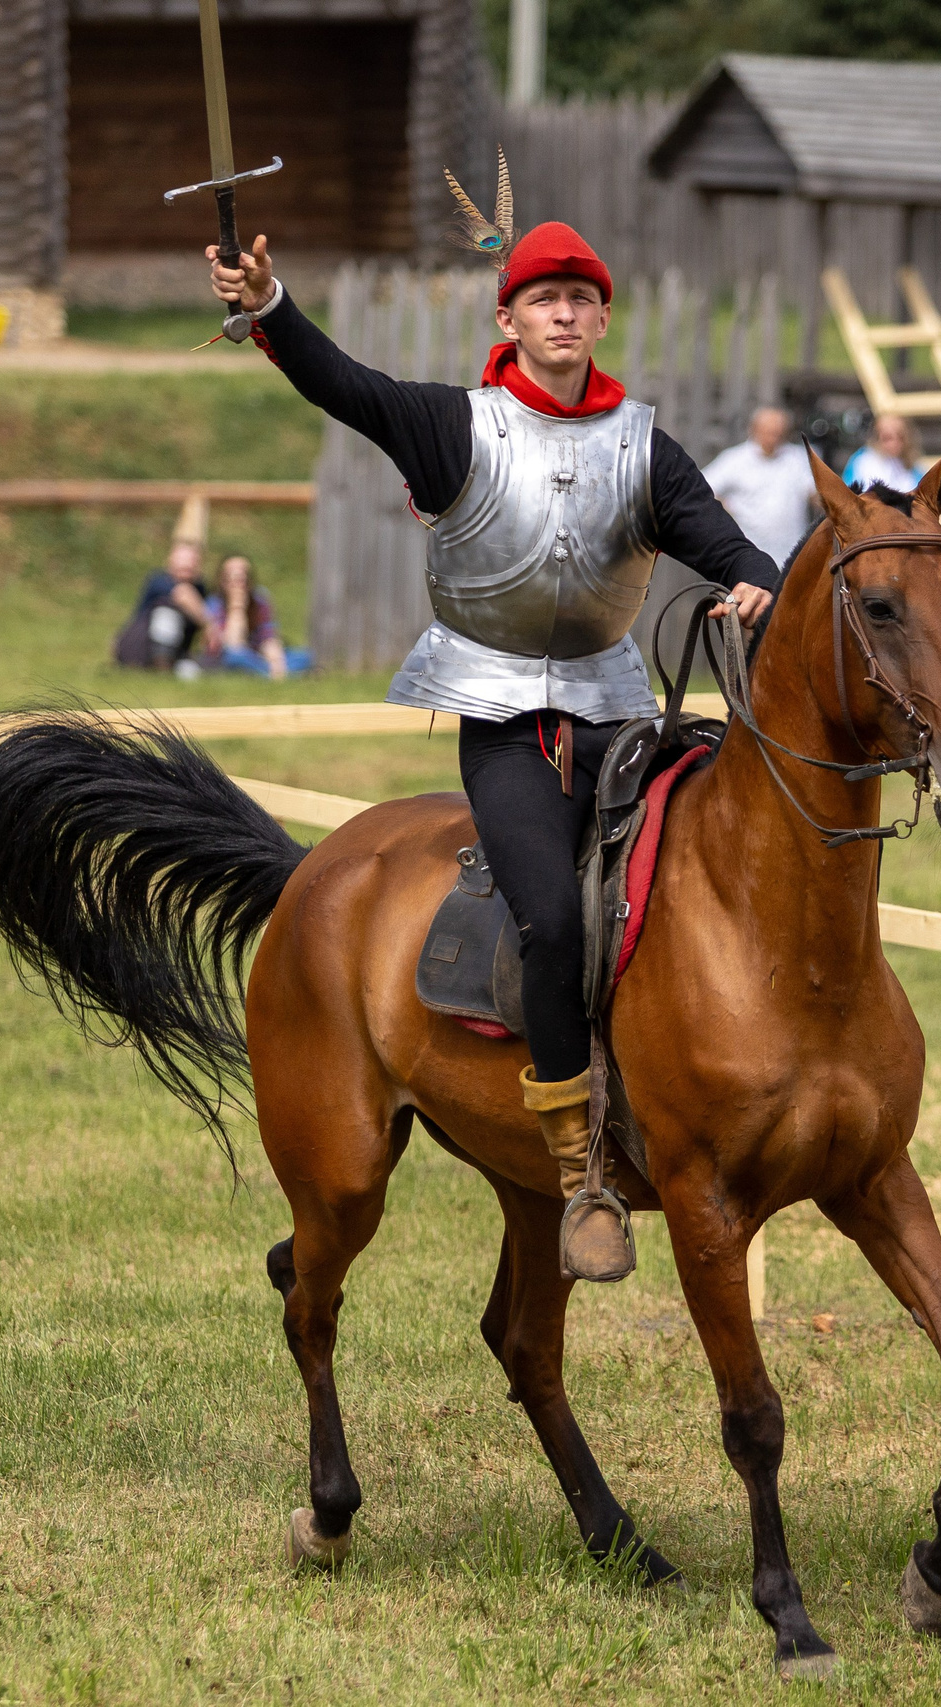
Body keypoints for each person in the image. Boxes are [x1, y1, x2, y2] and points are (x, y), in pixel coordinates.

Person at [210, 184, 780, 1283]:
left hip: (622, 718)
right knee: (554, 930)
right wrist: (270, 303)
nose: (564, 315)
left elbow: (726, 542)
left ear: (602, 320)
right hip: (506, 724)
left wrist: (757, 583)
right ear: (510, 320)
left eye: (581, 299)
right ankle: (581, 1175)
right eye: (544, 299)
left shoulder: (642, 445)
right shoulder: (455, 425)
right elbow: (346, 388)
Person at [702, 404, 816, 570]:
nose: (774, 437)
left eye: (778, 432)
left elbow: (814, 492)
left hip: (791, 555)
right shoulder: (735, 459)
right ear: (754, 430)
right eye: (769, 432)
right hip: (749, 554)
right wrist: (727, 507)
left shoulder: (798, 458)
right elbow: (704, 487)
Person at [112, 539, 214, 677]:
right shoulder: (160, 581)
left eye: (192, 563)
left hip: (177, 653)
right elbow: (182, 595)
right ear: (170, 562)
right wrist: (210, 626)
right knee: (167, 612)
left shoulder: (200, 587)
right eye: (182, 565)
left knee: (193, 673)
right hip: (139, 649)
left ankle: (168, 667)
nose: (188, 567)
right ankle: (162, 668)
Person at [201, 552, 309, 679]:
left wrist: (276, 661)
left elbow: (268, 635)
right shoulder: (213, 604)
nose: (238, 584)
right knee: (234, 657)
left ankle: (271, 674)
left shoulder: (260, 600)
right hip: (229, 657)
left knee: (304, 656)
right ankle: (280, 675)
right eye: (232, 578)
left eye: (243, 577)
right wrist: (237, 609)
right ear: (222, 580)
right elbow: (233, 645)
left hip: (257, 656)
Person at [840, 411, 919, 494]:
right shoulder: (861, 463)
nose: (894, 443)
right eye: (888, 438)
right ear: (877, 438)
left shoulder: (914, 468)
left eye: (900, 437)